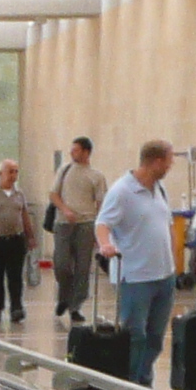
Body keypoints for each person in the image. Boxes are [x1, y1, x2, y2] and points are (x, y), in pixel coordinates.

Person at [95, 140, 180, 390]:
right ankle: (130, 383)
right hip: (135, 276)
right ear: (156, 162)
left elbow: (166, 223)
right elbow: (102, 223)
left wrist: (174, 258)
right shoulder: (122, 191)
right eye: (169, 161)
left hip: (164, 275)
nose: (170, 166)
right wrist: (105, 245)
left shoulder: (160, 189)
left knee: (155, 337)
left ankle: (144, 380)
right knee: (135, 334)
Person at [50, 138, 110, 322]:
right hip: (63, 224)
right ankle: (64, 297)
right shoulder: (64, 170)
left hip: (86, 224)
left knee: (83, 267)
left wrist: (99, 230)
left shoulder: (96, 176)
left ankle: (75, 306)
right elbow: (53, 194)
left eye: (76, 150)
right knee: (61, 264)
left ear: (86, 152)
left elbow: (102, 203)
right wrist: (65, 210)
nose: (72, 153)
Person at [0, 159, 34, 324]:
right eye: (10, 171)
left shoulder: (19, 194)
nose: (13, 175)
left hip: (15, 239)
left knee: (15, 276)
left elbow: (24, 216)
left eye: (16, 171)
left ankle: (16, 307)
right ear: (1, 173)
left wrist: (30, 236)